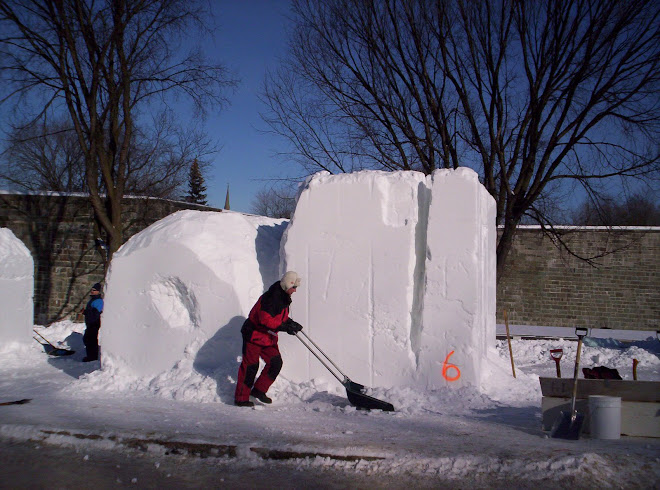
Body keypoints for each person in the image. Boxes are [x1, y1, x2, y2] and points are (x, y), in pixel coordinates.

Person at [234, 271, 303, 407]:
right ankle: (241, 398)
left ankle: (259, 391)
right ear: (286, 285)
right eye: (293, 288)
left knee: (275, 362)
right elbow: (265, 320)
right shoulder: (271, 298)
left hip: (267, 337)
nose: (295, 291)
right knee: (250, 367)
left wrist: (289, 323)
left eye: (296, 288)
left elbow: (278, 317)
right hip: (254, 335)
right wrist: (284, 327)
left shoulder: (283, 296)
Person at [82, 282, 104, 362]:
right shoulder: (93, 300)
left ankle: (92, 357)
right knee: (88, 339)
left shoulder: (98, 301)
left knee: (90, 340)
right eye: (92, 289)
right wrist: (85, 312)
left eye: (94, 290)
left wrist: (87, 312)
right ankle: (90, 356)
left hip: (94, 323)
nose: (92, 291)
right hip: (90, 323)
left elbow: (96, 313)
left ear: (98, 291)